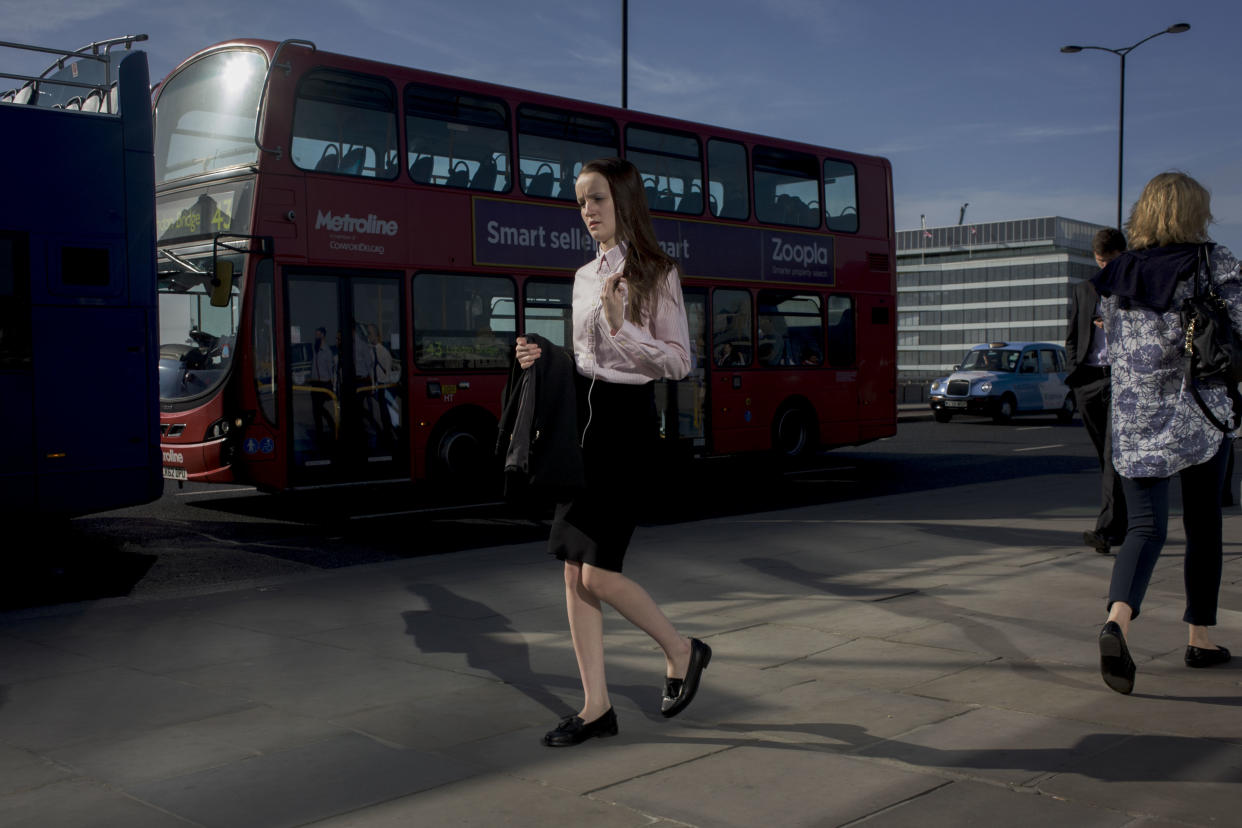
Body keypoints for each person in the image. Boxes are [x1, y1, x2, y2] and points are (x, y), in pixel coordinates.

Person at [514, 157, 711, 747]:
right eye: (580, 202)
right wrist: (541, 357)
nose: (588, 211)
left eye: (597, 198)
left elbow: (679, 362)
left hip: (627, 428)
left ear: (623, 201)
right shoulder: (581, 278)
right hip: (584, 425)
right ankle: (596, 706)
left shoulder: (657, 272)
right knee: (573, 573)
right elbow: (584, 365)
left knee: (598, 574)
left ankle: (682, 649)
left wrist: (623, 326)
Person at [1092, 171, 1238, 695]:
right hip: (1199, 410)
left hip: (1134, 417)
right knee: (1203, 526)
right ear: (1193, 212)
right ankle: (1199, 637)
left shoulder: (1121, 271)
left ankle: (1117, 622)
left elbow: (1113, 349)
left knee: (1144, 529)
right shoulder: (1211, 261)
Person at [1066, 228, 1128, 554]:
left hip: (1118, 380)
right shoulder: (1084, 290)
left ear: (1124, 255)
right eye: (1101, 261)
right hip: (1088, 381)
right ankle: (1124, 521)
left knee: (1112, 455)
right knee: (1106, 461)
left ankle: (1106, 531)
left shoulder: (1133, 289)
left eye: (1112, 261)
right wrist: (1074, 373)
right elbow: (1073, 336)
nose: (1106, 268)